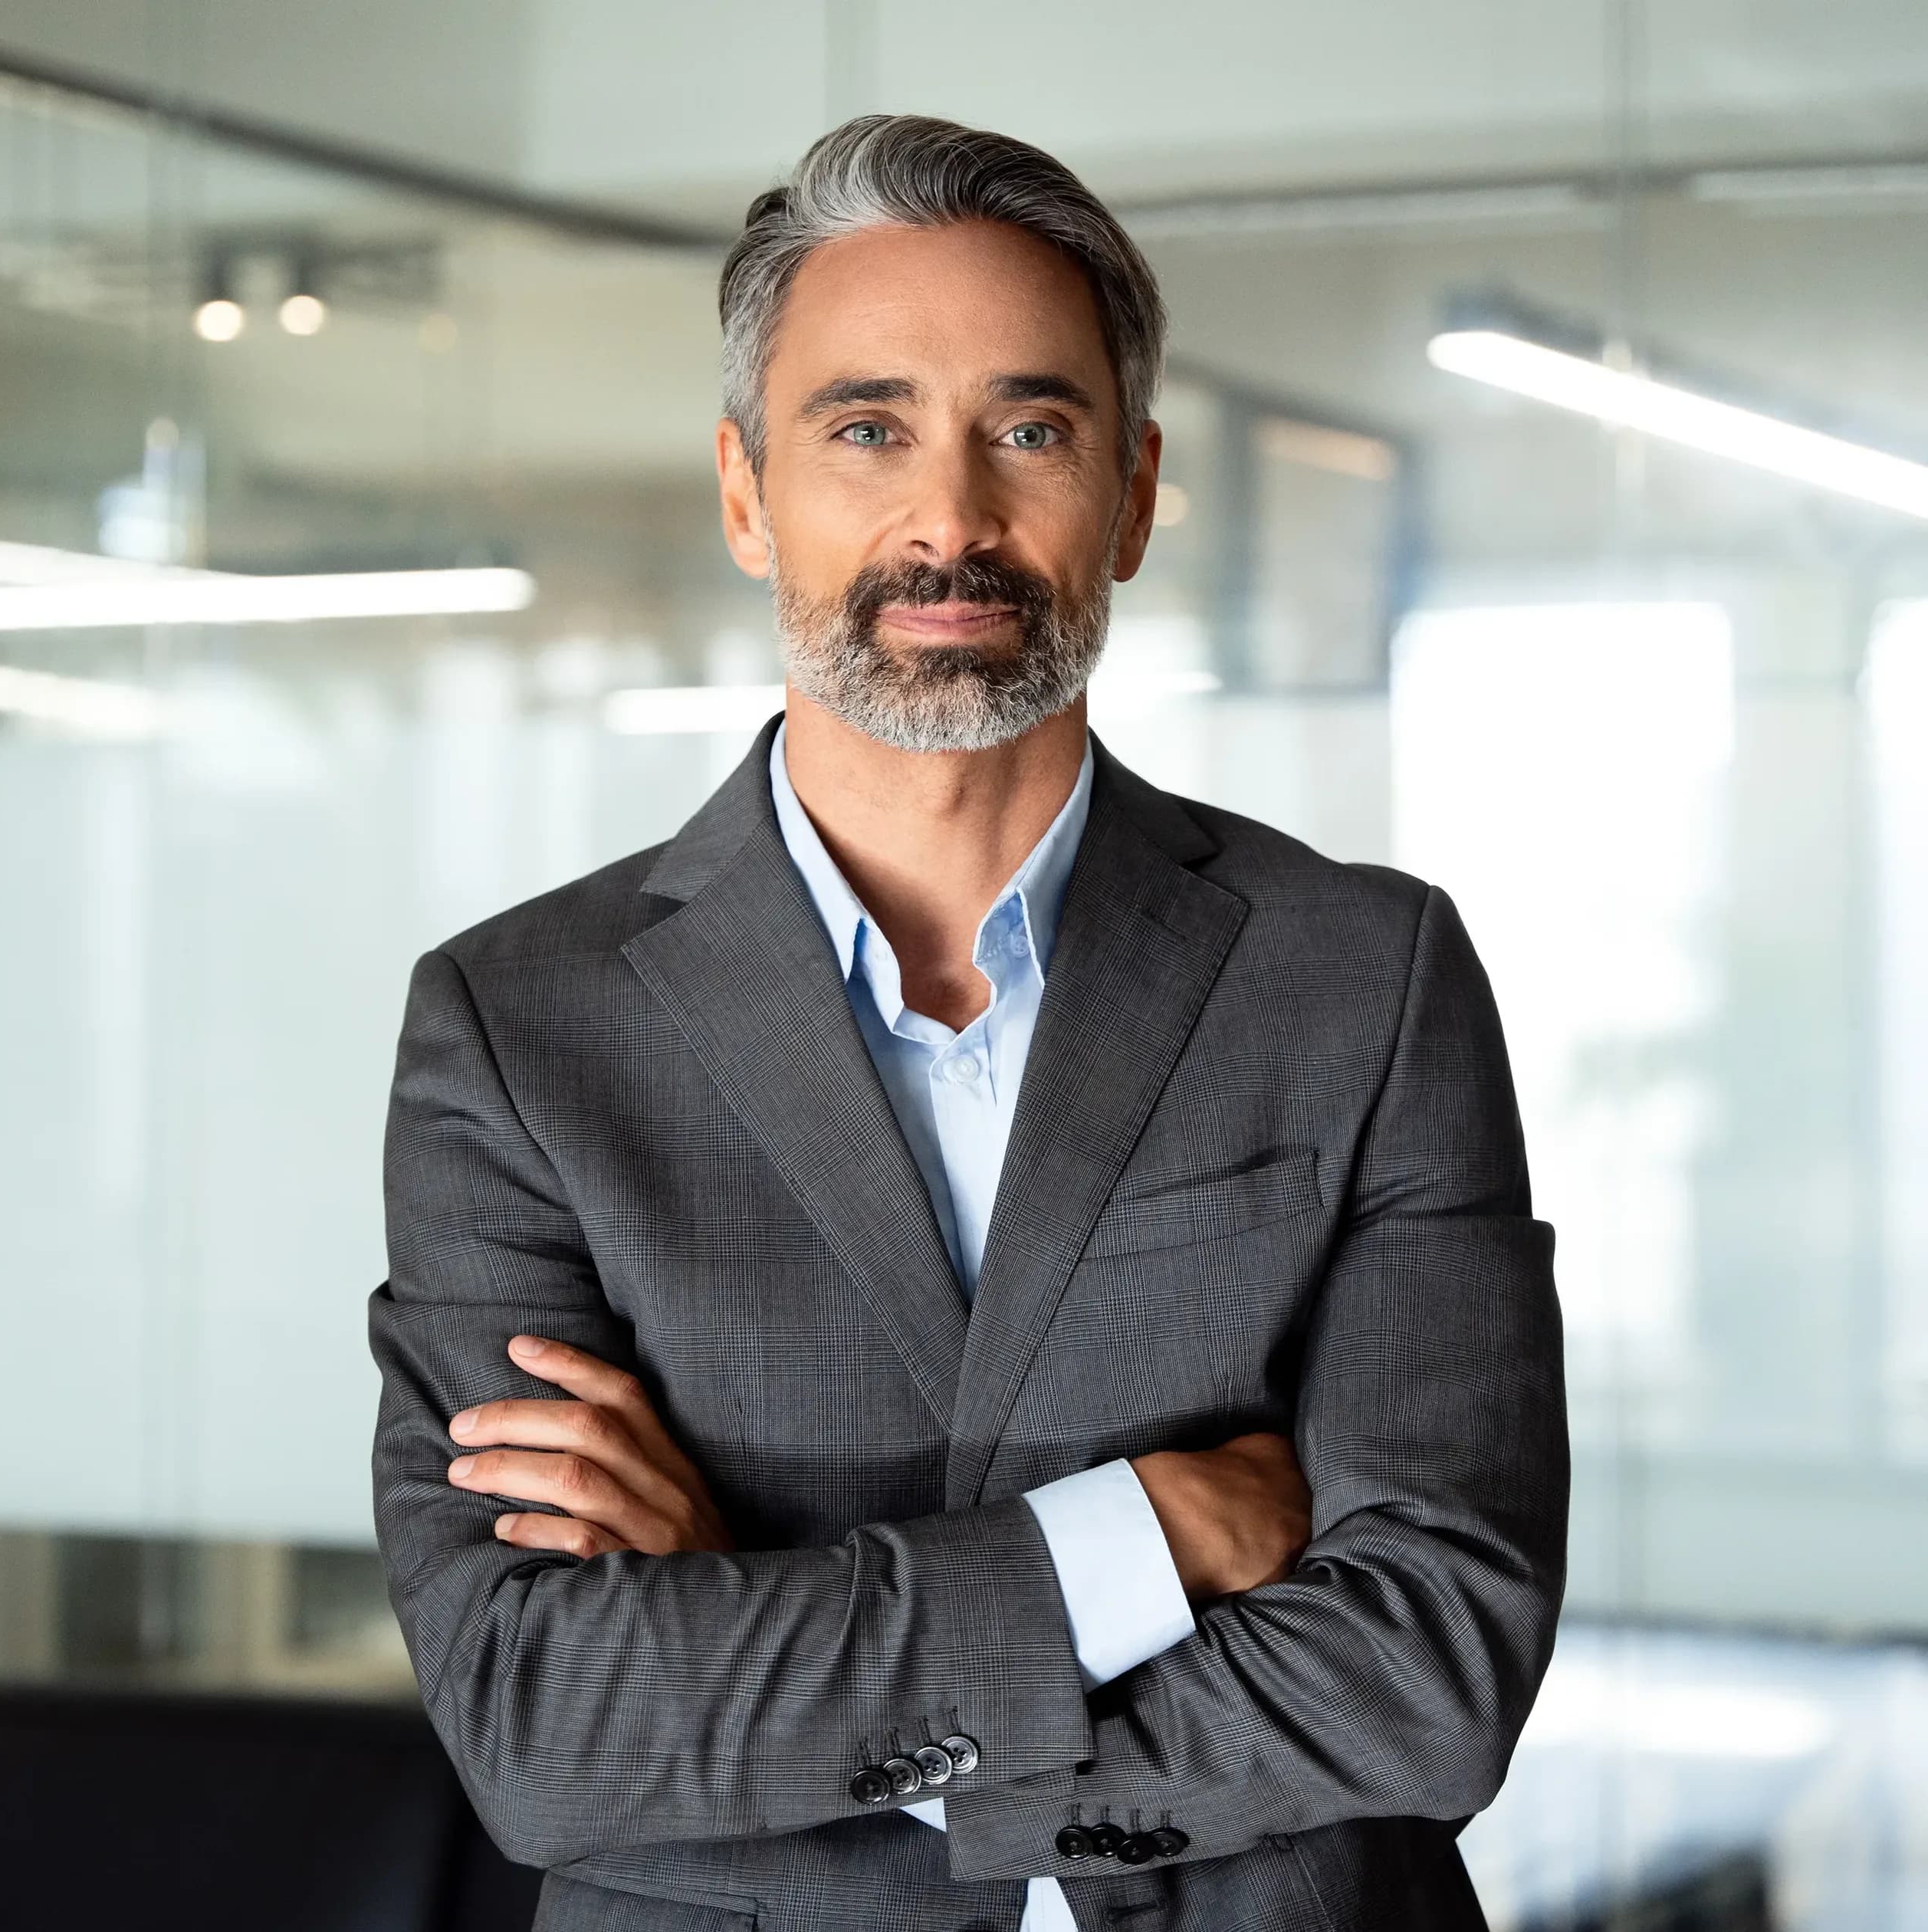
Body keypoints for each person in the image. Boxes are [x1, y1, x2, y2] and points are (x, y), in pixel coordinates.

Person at [368, 113, 1568, 1932]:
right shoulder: (519, 1032)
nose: (952, 517)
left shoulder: (1366, 977)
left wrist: (769, 1672)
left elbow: (1434, 1666)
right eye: (868, 430)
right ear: (748, 490)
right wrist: (1143, 1535)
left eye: (1031, 429)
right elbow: (549, 1725)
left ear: (1137, 491)